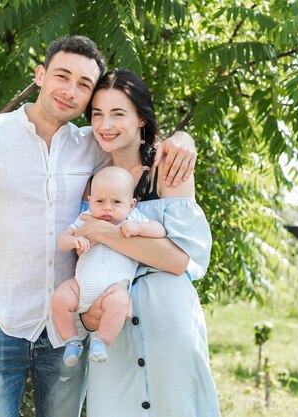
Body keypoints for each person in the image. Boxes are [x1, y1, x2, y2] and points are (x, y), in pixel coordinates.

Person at [0, 35, 197, 417]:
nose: (70, 91)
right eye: (62, 76)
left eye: (85, 85)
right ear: (40, 75)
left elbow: (136, 133)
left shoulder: (93, 144)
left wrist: (184, 139)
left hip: (67, 330)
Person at [75, 68, 221, 417]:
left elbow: (178, 260)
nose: (105, 124)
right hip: (112, 329)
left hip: (167, 320)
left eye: (118, 113)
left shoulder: (165, 168)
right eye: (97, 114)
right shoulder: (89, 180)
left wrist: (103, 232)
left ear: (141, 117)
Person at [53, 166, 166, 367]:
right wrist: (73, 241)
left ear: (131, 204)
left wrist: (138, 228)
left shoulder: (132, 219)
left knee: (120, 302)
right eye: (99, 201)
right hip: (81, 287)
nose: (107, 208)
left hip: (113, 289)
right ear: (90, 201)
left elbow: (160, 230)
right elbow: (62, 239)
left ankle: (101, 342)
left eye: (116, 202)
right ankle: (71, 341)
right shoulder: (86, 218)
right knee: (60, 297)